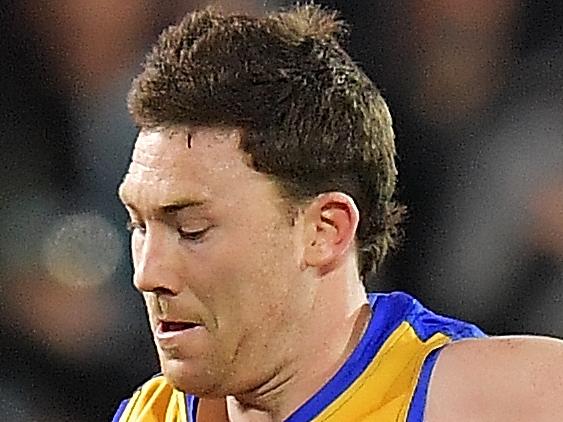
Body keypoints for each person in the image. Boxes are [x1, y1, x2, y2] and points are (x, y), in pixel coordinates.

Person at [113, 5, 563, 421]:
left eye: (191, 229)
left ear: (325, 230)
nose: (148, 273)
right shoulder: (149, 414)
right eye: (138, 224)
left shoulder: (500, 398)